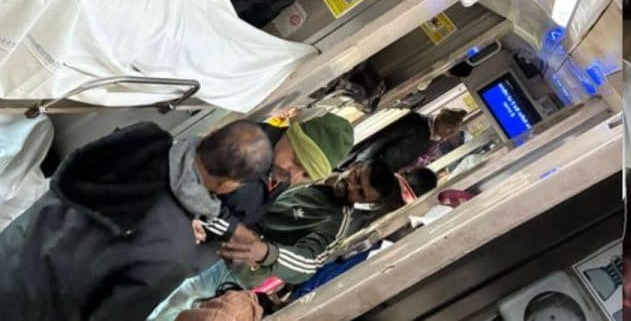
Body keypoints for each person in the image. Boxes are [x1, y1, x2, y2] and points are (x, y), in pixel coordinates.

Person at [0, 120, 272, 321]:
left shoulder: (139, 141)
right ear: (229, 184)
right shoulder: (174, 251)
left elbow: (64, 184)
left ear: (212, 133)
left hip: (11, 252)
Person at [149, 159, 402, 319]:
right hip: (221, 236)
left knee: (181, 297)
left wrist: (266, 252)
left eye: (360, 194)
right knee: (167, 283)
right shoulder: (316, 174)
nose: (352, 188)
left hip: (237, 267)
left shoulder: (336, 223)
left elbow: (307, 264)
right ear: (356, 165)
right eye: (356, 179)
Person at [202, 112, 354, 244]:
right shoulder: (243, 145)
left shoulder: (280, 173)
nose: (294, 175)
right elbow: (197, 191)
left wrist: (255, 236)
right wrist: (234, 231)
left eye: (306, 175)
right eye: (296, 161)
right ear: (289, 136)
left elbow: (254, 213)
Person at [350, 108, 468, 173]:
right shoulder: (415, 121)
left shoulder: (432, 141)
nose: (447, 136)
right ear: (442, 122)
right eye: (450, 131)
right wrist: (362, 160)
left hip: (380, 171)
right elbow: (382, 139)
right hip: (368, 161)